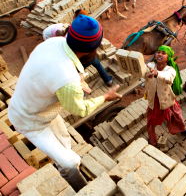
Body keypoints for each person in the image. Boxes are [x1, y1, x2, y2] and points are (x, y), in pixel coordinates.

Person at [8, 15, 122, 191]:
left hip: (40, 108)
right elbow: (80, 110)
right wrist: (105, 97)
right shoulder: (67, 79)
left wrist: (76, 79)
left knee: (66, 140)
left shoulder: (52, 43)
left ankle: (63, 159)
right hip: (29, 121)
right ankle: (80, 188)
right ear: (90, 50)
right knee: (70, 163)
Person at [145, 45, 186, 146]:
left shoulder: (170, 69)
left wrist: (156, 74)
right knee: (151, 122)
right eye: (158, 52)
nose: (160, 54)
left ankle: (183, 129)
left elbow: (169, 77)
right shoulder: (150, 66)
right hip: (153, 102)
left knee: (177, 117)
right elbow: (141, 71)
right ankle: (152, 138)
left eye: (163, 53)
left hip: (167, 100)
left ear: (168, 58)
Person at [73, 9, 113, 87]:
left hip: (81, 60)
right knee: (97, 64)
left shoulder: (75, 30)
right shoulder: (91, 28)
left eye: (74, 15)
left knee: (76, 75)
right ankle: (108, 80)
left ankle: (83, 94)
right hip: (92, 55)